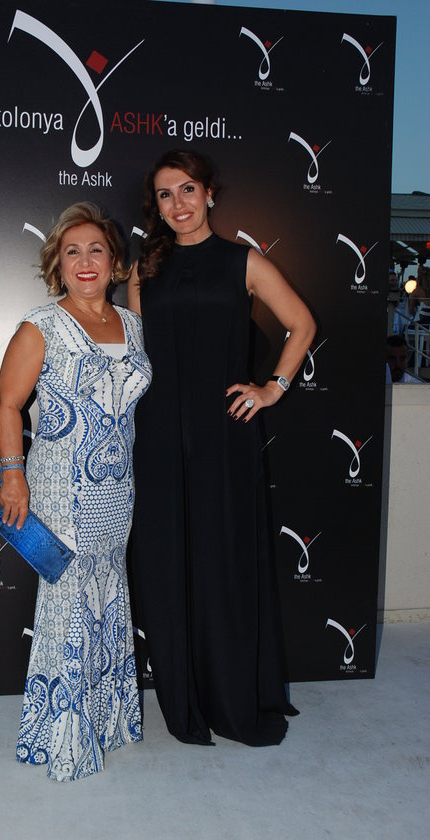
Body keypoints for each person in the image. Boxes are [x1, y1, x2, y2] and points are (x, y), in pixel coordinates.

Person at [127, 149, 316, 747]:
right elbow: (133, 357)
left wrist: (272, 388)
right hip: (157, 436)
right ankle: (184, 698)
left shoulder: (244, 262)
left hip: (224, 435)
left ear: (209, 193)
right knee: (169, 566)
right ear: (156, 206)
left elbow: (302, 324)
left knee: (223, 563)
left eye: (188, 189)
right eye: (165, 194)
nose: (178, 203)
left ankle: (233, 695)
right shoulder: (143, 271)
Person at [0, 202, 152, 781]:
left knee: (108, 596)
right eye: (72, 252)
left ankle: (107, 721)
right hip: (62, 492)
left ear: (113, 262)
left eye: (96, 250)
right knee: (67, 607)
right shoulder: (40, 325)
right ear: (57, 265)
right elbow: (7, 403)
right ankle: (62, 738)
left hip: (117, 490)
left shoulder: (131, 323)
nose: (85, 261)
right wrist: (13, 474)